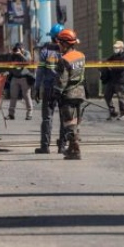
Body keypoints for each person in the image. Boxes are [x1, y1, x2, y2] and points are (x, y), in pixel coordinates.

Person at [52, 28, 86, 160]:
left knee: (68, 123)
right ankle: (72, 149)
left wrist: (55, 94)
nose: (58, 46)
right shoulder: (81, 56)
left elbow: (62, 80)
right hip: (80, 93)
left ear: (65, 44)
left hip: (68, 95)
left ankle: (75, 149)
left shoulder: (64, 60)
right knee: (76, 121)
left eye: (60, 43)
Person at [32, 24, 66, 154]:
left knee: (47, 118)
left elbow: (40, 71)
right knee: (64, 117)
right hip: (63, 89)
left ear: (52, 37)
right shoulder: (66, 51)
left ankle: (45, 146)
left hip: (49, 89)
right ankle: (62, 146)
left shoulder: (45, 51)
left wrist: (36, 88)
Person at [102, 40, 124, 120]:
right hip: (112, 80)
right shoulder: (114, 56)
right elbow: (107, 60)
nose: (115, 49)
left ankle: (123, 114)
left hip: (120, 80)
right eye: (115, 48)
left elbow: (123, 67)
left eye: (117, 48)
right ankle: (112, 112)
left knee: (121, 98)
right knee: (107, 96)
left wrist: (111, 67)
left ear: (122, 48)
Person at [6, 42, 33, 120]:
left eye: (19, 49)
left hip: (24, 77)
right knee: (13, 96)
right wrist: (11, 55)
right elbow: (8, 64)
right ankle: (11, 114)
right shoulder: (13, 54)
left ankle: (29, 114)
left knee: (27, 96)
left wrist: (20, 55)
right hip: (15, 77)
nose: (17, 50)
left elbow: (28, 62)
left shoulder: (26, 53)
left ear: (22, 49)